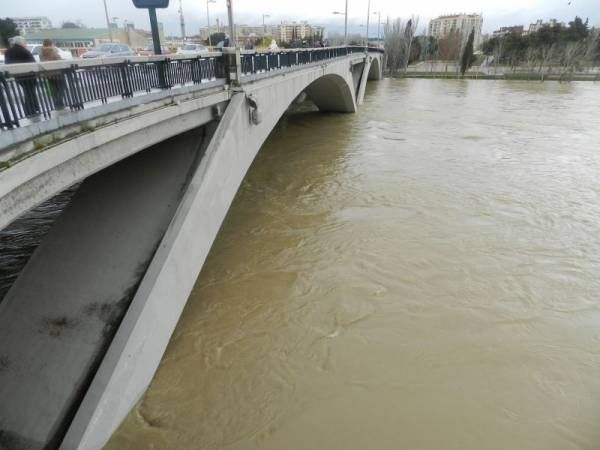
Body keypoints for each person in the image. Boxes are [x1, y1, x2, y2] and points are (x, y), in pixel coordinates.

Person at [4, 36, 40, 118]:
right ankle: (31, 110)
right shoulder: (24, 51)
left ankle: (30, 110)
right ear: (21, 42)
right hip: (29, 75)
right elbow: (33, 63)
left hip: (18, 76)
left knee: (27, 92)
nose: (25, 44)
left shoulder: (8, 51)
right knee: (30, 92)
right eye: (25, 42)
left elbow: (7, 64)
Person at [39, 39, 66, 110]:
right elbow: (59, 61)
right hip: (57, 73)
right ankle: (60, 103)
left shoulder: (41, 53)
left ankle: (56, 104)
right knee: (61, 88)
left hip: (48, 74)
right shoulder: (53, 51)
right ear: (51, 44)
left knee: (54, 90)